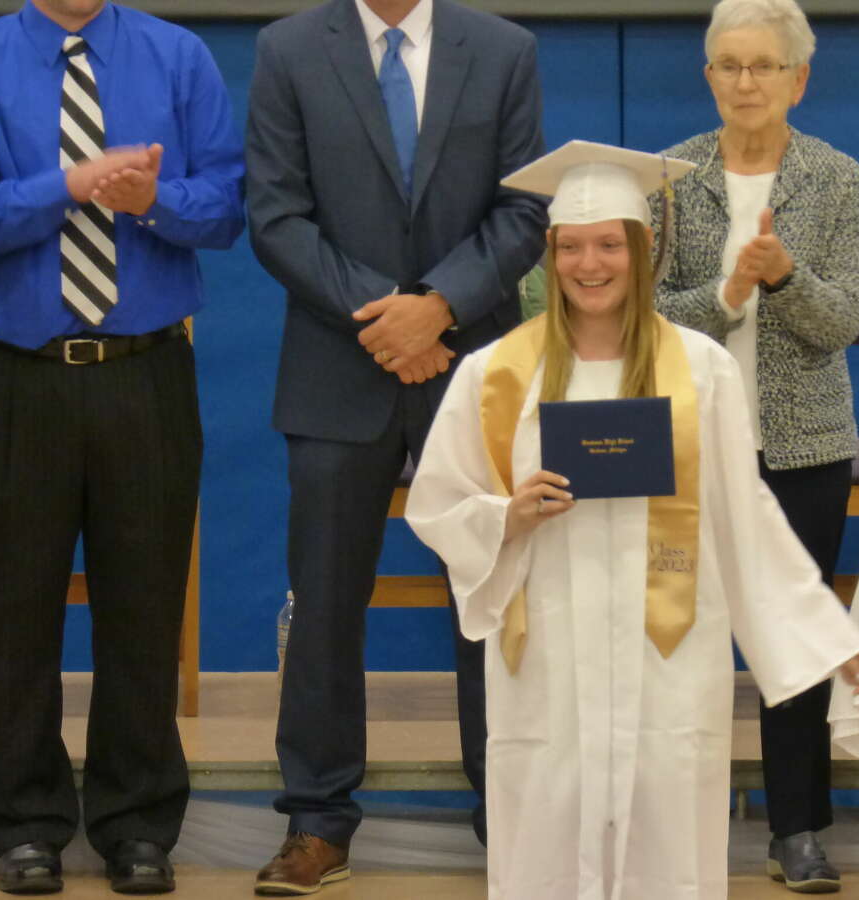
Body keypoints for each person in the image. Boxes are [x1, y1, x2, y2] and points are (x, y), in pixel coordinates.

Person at [405, 140, 859, 900]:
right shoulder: (494, 374)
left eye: (610, 245)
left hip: (669, 649)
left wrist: (824, 633)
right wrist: (506, 516)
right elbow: (437, 503)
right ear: (550, 254)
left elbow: (745, 514)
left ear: (642, 250)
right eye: (572, 247)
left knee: (666, 810)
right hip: (548, 645)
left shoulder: (702, 368)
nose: (590, 264)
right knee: (550, 810)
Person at [0, 0, 244, 893]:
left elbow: (226, 209)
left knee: (144, 606)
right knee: (14, 611)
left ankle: (137, 826)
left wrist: (155, 201)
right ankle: (25, 824)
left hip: (144, 373)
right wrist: (66, 186)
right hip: (14, 376)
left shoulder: (177, 57)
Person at [244, 0, 546, 891]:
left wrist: (439, 306)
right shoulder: (288, 49)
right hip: (339, 363)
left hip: (471, 363)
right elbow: (276, 215)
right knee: (325, 605)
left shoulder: (504, 49)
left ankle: (511, 816)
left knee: (490, 594)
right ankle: (317, 822)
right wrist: (388, 319)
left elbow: (524, 210)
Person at [652, 0, 859, 891]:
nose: (746, 82)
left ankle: (797, 831)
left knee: (794, 638)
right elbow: (642, 316)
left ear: (798, 80)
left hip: (804, 442)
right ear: (708, 76)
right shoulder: (667, 178)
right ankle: (675, 824)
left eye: (765, 66)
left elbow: (841, 321)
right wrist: (727, 294)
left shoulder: (838, 178)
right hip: (685, 442)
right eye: (730, 65)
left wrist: (782, 278)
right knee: (680, 636)